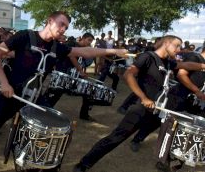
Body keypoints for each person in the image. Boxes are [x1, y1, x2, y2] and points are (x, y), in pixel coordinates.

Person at [0, 11, 128, 172]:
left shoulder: (58, 47)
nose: (63, 29)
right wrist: (4, 83)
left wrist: (113, 50)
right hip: (11, 94)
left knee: (54, 134)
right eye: (61, 24)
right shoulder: (24, 36)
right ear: (50, 21)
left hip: (35, 99)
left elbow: (86, 51)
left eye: (66, 27)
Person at [73, 35, 205, 172]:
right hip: (141, 109)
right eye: (177, 46)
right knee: (116, 138)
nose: (179, 49)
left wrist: (202, 65)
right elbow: (128, 75)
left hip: (157, 110)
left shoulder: (167, 62)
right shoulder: (148, 57)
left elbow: (186, 65)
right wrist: (143, 98)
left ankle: (167, 164)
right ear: (166, 43)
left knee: (171, 134)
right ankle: (84, 164)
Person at [128, 43, 205, 154]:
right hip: (178, 96)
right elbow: (181, 75)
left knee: (184, 127)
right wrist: (196, 91)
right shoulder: (195, 57)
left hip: (194, 101)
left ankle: (171, 152)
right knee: (157, 120)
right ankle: (137, 139)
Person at [36, 32, 96, 121]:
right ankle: (42, 112)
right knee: (55, 94)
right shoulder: (71, 44)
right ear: (83, 38)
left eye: (91, 41)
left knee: (88, 91)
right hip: (63, 73)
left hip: (73, 75)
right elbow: (71, 56)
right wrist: (80, 71)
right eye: (89, 40)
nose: (89, 43)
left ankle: (84, 114)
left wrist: (82, 73)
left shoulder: (84, 49)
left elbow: (82, 63)